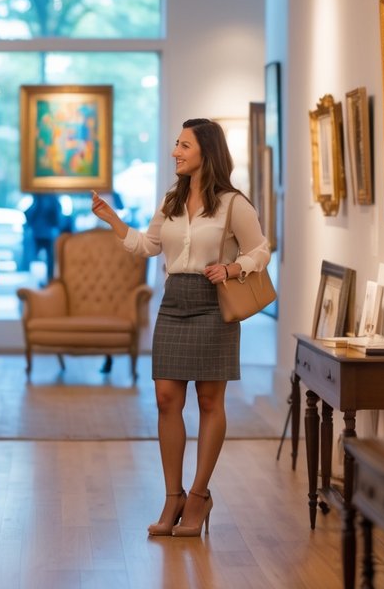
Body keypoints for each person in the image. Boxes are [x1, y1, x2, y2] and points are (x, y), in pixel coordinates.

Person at [91, 118, 269, 537]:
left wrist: (233, 268)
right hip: (173, 305)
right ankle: (173, 497)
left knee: (209, 401)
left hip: (213, 306)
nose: (176, 152)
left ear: (206, 151)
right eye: (176, 144)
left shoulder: (233, 204)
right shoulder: (171, 201)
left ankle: (199, 496)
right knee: (166, 399)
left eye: (184, 145)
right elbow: (148, 246)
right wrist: (112, 219)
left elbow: (261, 250)